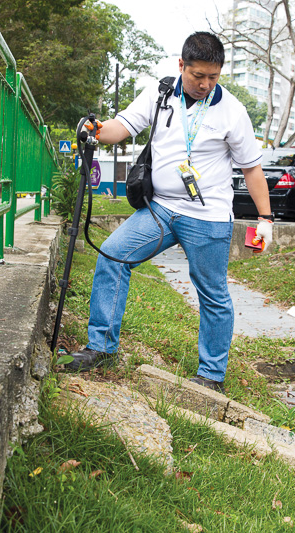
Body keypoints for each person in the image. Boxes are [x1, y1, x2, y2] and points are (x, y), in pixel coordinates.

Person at [65, 32, 273, 393]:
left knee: (212, 292)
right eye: (197, 76)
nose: (205, 84)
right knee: (113, 255)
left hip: (208, 219)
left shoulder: (233, 111)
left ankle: (211, 376)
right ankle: (100, 348)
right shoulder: (159, 94)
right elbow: (123, 127)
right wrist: (96, 131)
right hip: (159, 208)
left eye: (213, 77)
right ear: (181, 66)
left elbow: (252, 169)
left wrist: (266, 220)